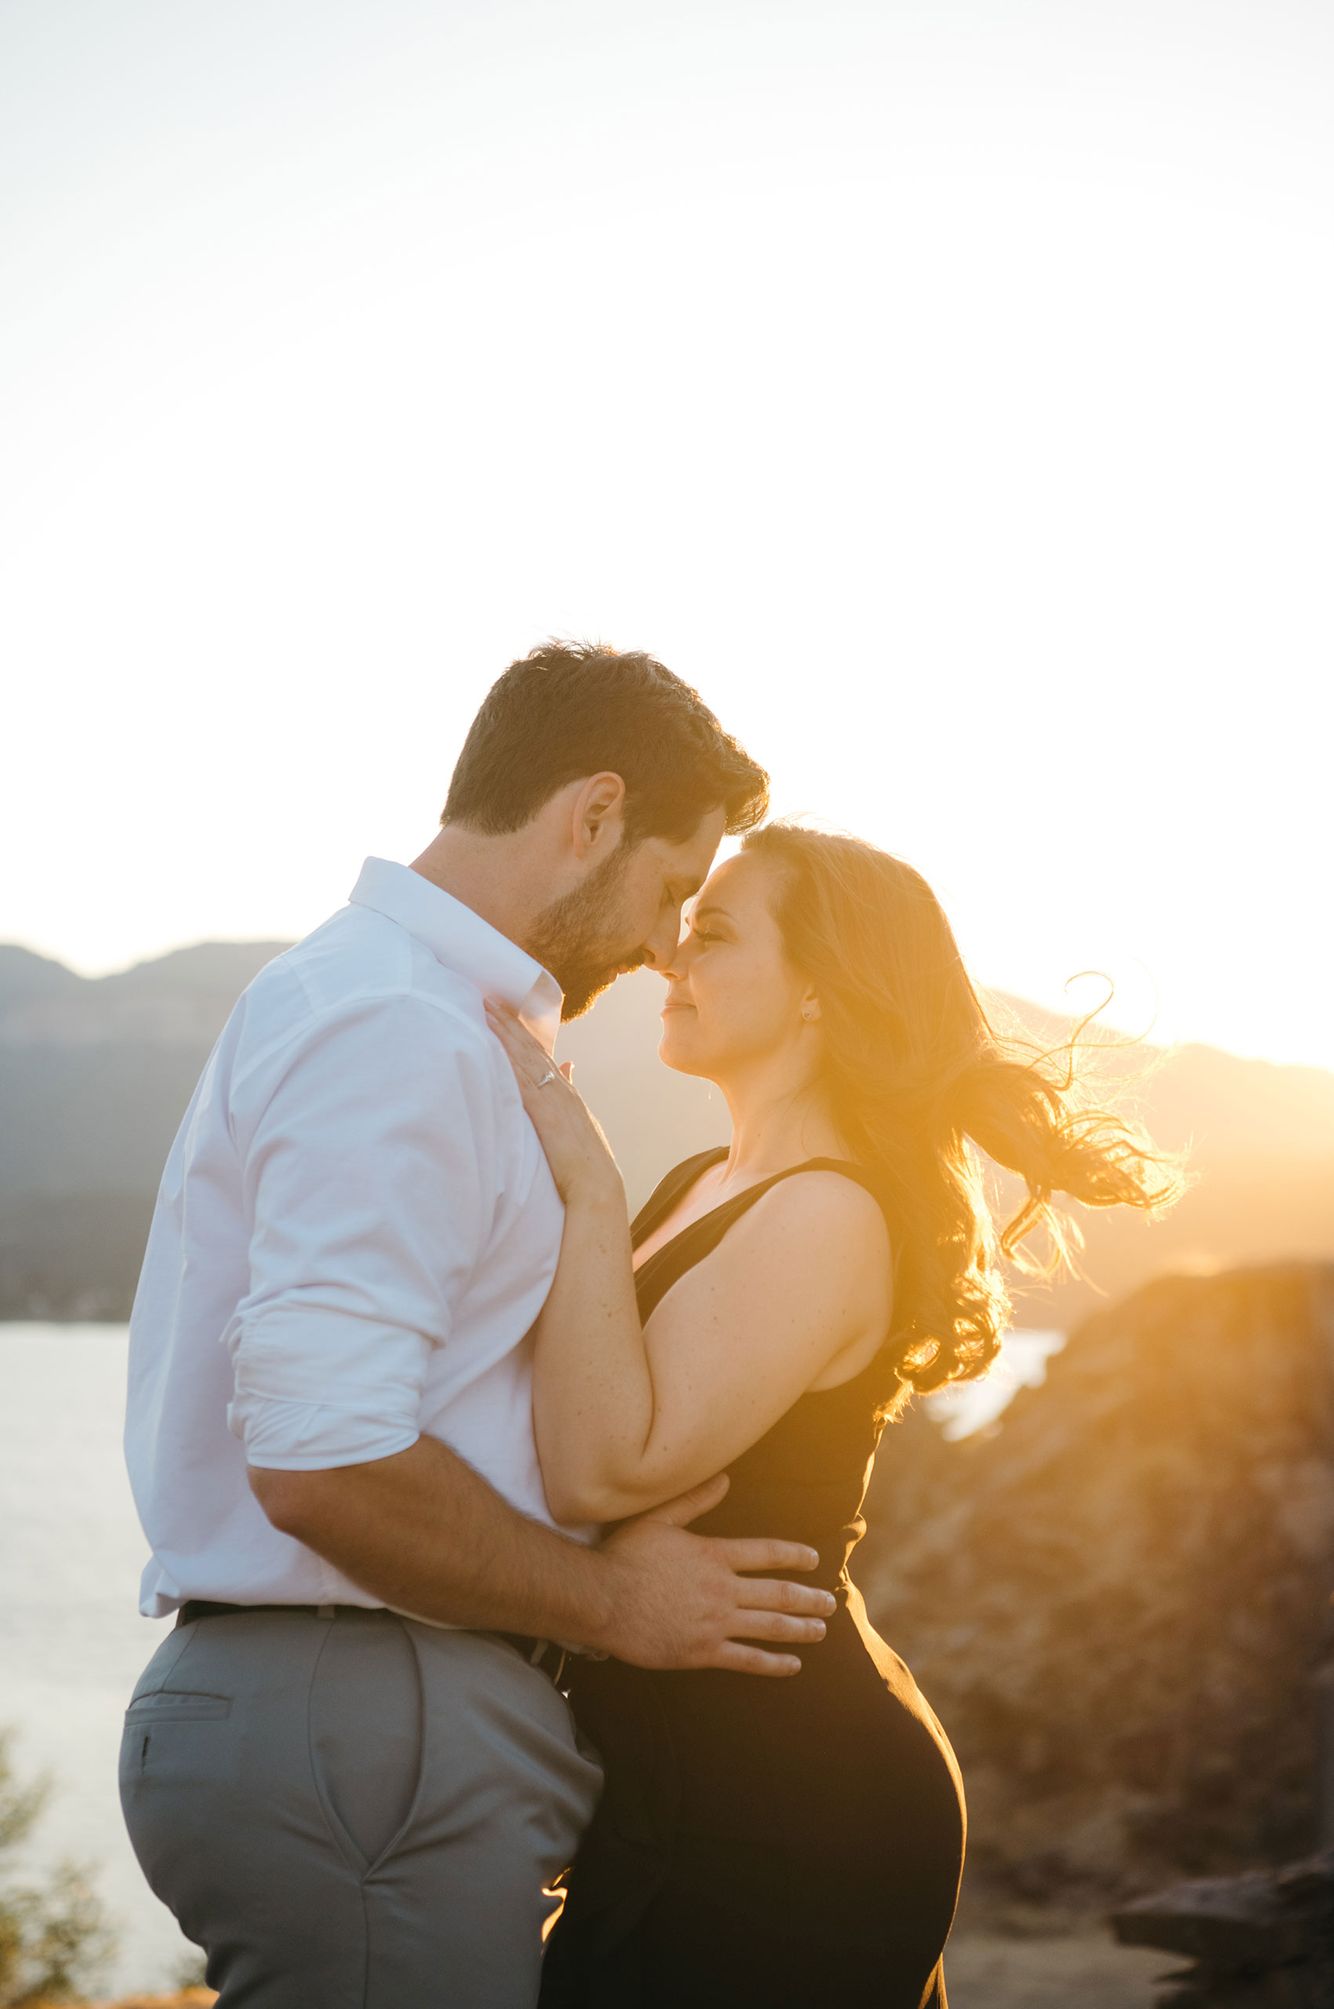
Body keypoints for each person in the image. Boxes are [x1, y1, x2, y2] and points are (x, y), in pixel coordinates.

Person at [118, 644, 838, 2009]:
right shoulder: (400, 1028)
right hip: (361, 1716)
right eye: (671, 888)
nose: (661, 943)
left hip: (353, 1721)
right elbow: (323, 1461)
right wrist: (613, 1606)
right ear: (589, 813)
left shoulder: (400, 1006)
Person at [487, 820, 1185, 2009]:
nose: (671, 957)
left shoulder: (825, 1212)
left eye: (711, 933)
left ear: (816, 990)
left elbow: (599, 1470)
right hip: (688, 1783)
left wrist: (586, 1190)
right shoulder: (702, 1184)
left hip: (789, 1805)